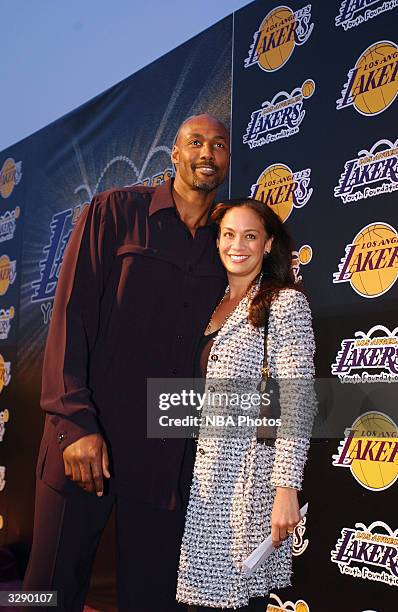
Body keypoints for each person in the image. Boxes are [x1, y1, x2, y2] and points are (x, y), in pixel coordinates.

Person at [23, 114, 230, 611]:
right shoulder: (113, 212)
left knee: (151, 597)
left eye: (219, 145)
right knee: (43, 590)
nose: (207, 153)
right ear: (174, 154)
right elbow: (70, 317)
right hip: (85, 442)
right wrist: (74, 426)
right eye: (195, 143)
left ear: (226, 160)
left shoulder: (226, 242)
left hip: (164, 458)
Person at [176, 198, 316, 611]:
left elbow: (296, 397)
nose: (238, 245)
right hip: (194, 480)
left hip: (238, 486)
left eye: (250, 236)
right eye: (229, 235)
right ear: (217, 242)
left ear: (269, 244)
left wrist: (286, 489)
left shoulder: (283, 303)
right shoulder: (210, 304)